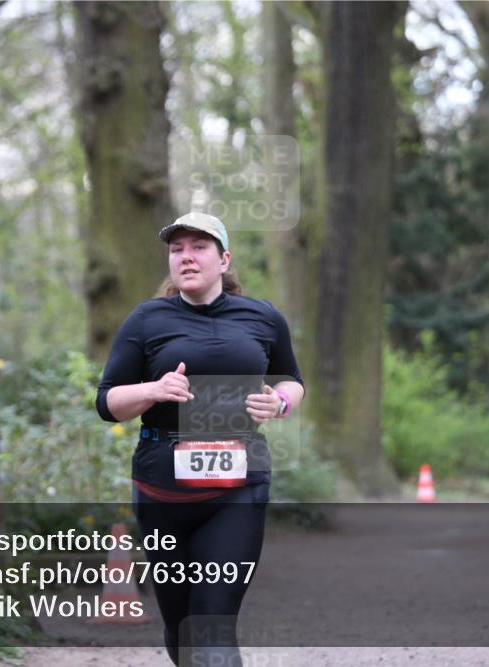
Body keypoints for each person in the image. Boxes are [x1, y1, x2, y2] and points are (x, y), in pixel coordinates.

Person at [95, 212, 305, 666]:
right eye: (177, 250)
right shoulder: (147, 320)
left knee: (213, 620)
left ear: (224, 259)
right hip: (161, 488)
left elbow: (292, 380)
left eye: (199, 247)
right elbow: (107, 400)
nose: (186, 257)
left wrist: (280, 403)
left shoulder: (263, 317)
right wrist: (153, 390)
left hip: (239, 488)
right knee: (180, 620)